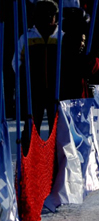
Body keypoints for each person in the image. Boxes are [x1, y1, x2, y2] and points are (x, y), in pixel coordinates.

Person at [13, 0, 61, 135]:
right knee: (32, 125)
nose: (47, 19)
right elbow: (16, 62)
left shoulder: (61, 37)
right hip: (34, 91)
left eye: (50, 15)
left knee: (57, 127)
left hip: (55, 91)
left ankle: (57, 155)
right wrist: (25, 76)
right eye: (43, 15)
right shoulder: (27, 37)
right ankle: (29, 152)